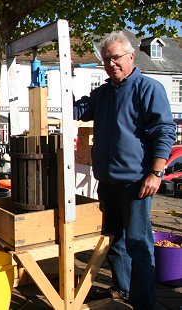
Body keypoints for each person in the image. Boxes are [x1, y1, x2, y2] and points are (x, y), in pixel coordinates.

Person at [74, 31, 176, 309]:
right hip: (107, 181)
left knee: (138, 244)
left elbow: (164, 131)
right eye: (106, 60)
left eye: (116, 58)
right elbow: (81, 108)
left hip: (136, 183)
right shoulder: (104, 92)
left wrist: (156, 173)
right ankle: (122, 289)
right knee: (115, 242)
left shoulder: (148, 88)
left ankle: (144, 303)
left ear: (131, 56)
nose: (111, 64)